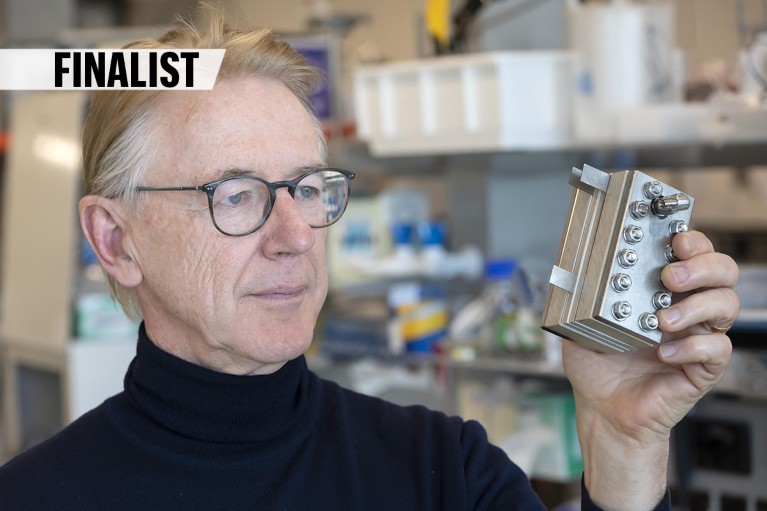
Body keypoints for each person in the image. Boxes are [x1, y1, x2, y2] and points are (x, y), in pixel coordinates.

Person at [0, 4, 740, 510]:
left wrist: (621, 449)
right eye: (235, 194)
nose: (294, 234)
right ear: (115, 240)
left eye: (307, 188)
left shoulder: (438, 471)